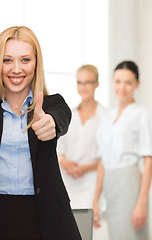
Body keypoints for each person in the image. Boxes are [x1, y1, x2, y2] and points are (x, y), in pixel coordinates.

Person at [0, 26, 82, 240]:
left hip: (41, 215)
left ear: (36, 63)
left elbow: (62, 116)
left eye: (25, 60)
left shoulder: (52, 105)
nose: (16, 69)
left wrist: (51, 123)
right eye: (7, 60)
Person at [93, 61, 152, 240]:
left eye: (128, 82)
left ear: (137, 84)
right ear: (112, 82)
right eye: (118, 81)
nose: (122, 87)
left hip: (129, 183)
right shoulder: (106, 117)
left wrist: (142, 202)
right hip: (110, 184)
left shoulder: (141, 114)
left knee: (130, 235)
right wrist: (96, 200)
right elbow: (102, 160)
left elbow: (148, 159)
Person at [58, 64, 106, 209]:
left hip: (90, 186)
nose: (83, 87)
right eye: (79, 82)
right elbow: (59, 149)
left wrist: (84, 168)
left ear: (96, 84)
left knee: (87, 230)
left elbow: (106, 157)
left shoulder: (106, 117)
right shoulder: (68, 114)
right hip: (66, 182)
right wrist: (63, 162)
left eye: (88, 82)